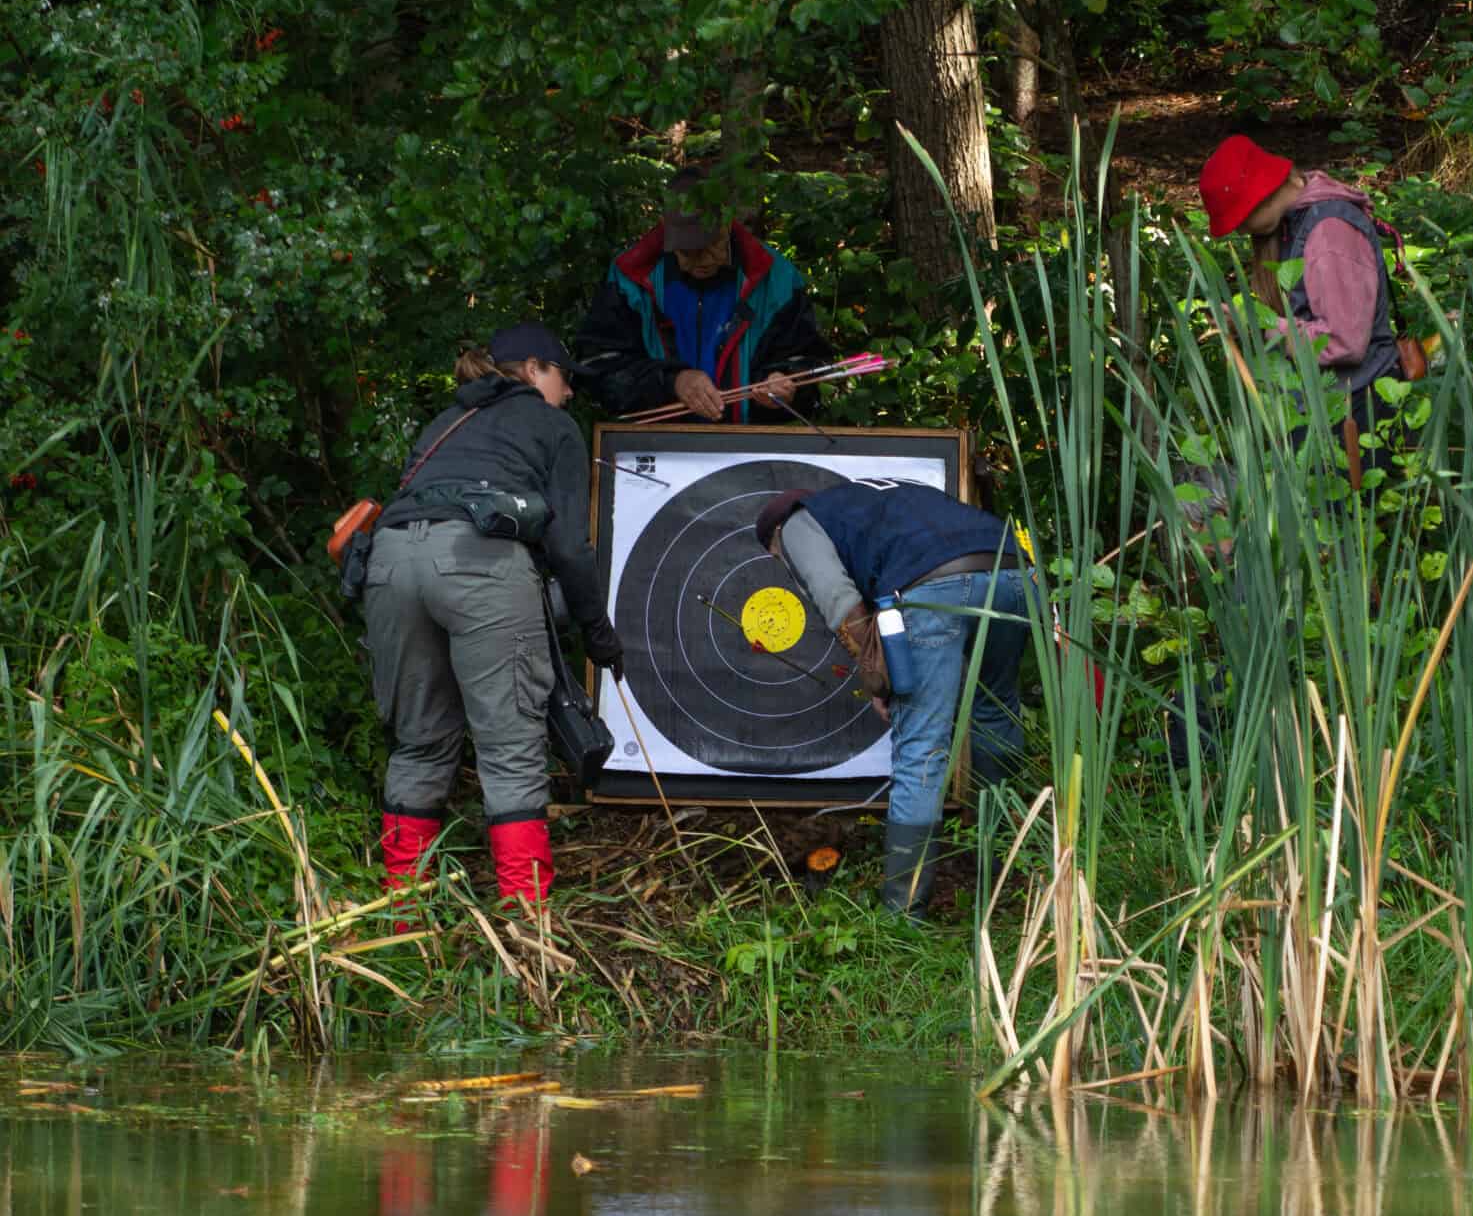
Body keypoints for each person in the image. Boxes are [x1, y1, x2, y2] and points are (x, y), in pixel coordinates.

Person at [368, 323, 623, 913]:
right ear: (533, 369)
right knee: (509, 749)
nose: (570, 392)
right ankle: (525, 927)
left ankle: (401, 917)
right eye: (564, 377)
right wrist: (599, 636)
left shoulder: (443, 423)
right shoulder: (553, 424)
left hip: (390, 560)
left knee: (418, 743)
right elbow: (569, 549)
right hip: (479, 565)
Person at [754, 482, 1032, 919]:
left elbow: (838, 598)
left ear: (775, 537)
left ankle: (903, 916)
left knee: (922, 744)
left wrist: (879, 679)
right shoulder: (875, 503)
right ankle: (1004, 873)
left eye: (777, 557)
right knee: (994, 713)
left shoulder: (794, 522)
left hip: (936, 586)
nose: (783, 563)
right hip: (1014, 573)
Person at [1196, 134, 1407, 444]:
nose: (1240, 230)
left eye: (1240, 220)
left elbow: (1343, 341)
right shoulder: (1294, 222)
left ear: (1261, 194)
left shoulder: (1329, 232)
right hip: (1327, 408)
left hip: (1360, 412)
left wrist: (1260, 326)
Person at [575, 168, 829, 424]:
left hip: (749, 446)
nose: (703, 261)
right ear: (666, 233)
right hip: (655, 445)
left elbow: (809, 364)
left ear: (728, 223)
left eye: (712, 245)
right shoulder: (630, 277)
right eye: (688, 252)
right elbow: (600, 368)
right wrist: (673, 382)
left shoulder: (776, 278)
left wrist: (785, 382)